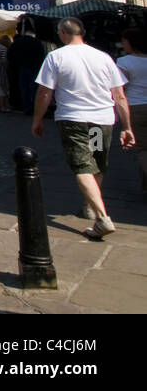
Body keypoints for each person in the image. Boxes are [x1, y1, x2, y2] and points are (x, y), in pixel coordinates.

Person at [33, 18, 135, 239]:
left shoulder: (56, 57)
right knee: (95, 162)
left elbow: (44, 92)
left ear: (61, 33)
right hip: (101, 120)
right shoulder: (103, 57)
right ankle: (90, 205)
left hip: (74, 120)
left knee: (82, 166)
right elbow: (119, 95)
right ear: (83, 32)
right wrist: (126, 126)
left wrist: (37, 119)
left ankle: (102, 217)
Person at [117, 27, 147, 194]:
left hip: (135, 107)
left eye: (124, 41)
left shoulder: (124, 62)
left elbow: (120, 88)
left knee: (142, 149)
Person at [8, 22, 47, 114]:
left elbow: (10, 54)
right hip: (34, 68)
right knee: (34, 88)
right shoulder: (37, 42)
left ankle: (27, 107)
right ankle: (35, 107)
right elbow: (42, 55)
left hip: (21, 68)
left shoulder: (17, 42)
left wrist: (16, 64)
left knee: (24, 88)